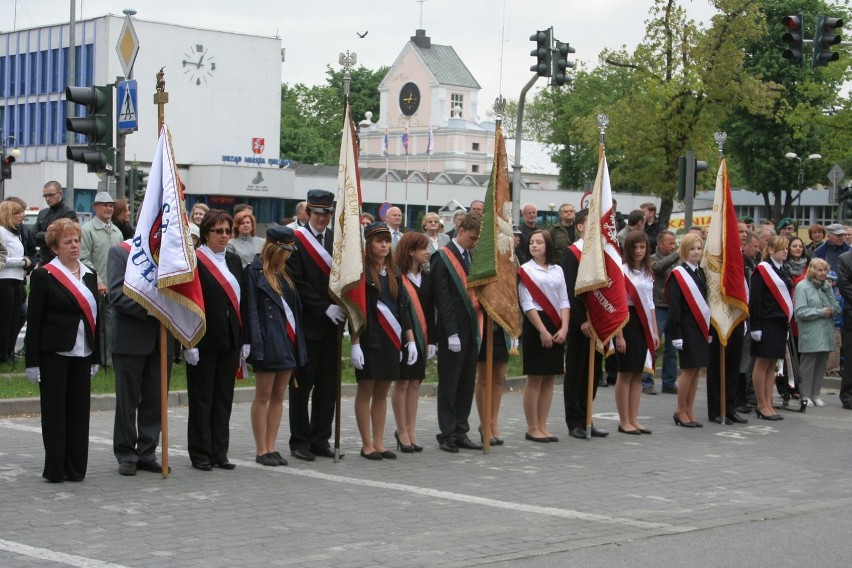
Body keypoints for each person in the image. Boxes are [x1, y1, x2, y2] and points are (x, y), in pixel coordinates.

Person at [24, 219, 99, 483]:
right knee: (55, 413)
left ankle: (76, 468)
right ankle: (55, 469)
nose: (74, 245)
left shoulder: (89, 274)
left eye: (76, 240)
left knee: (79, 412)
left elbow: (95, 320)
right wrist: (32, 362)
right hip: (53, 353)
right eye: (67, 242)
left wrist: (96, 355)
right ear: (55, 248)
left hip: (83, 352)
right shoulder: (44, 275)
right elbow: (34, 321)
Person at [183, 210, 247, 470]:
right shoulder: (195, 261)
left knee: (223, 397)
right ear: (206, 233)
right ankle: (200, 453)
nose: (224, 236)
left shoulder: (233, 260)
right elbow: (187, 303)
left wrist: (245, 340)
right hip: (203, 340)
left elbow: (243, 302)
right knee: (202, 398)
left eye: (227, 231)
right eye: (218, 231)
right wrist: (188, 342)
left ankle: (220, 452)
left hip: (230, 338)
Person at [108, 239, 174, 476]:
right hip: (129, 339)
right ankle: (126, 454)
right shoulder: (120, 253)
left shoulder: (168, 256)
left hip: (161, 338)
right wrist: (154, 308)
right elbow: (117, 295)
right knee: (127, 402)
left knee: (156, 400)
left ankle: (147, 452)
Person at [350, 223, 416, 460]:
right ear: (369, 244)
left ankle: (379, 442)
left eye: (387, 241)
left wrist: (410, 341)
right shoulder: (360, 272)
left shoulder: (395, 272)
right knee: (366, 390)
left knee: (382, 392)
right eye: (379, 241)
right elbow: (356, 309)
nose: (384, 245)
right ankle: (366, 443)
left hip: (391, 339)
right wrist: (355, 343)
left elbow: (403, 308)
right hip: (369, 339)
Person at [287, 189, 344, 461]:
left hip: (333, 328)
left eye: (327, 213)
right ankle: (299, 440)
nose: (322, 218)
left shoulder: (336, 240)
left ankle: (320, 438)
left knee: (327, 387)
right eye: (318, 213)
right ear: (308, 212)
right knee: (302, 387)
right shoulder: (295, 241)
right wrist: (323, 308)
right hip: (307, 326)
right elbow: (297, 283)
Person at [246, 226, 306, 466]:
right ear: (274, 248)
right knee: (263, 396)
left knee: (279, 397)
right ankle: (261, 449)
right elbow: (251, 310)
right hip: (268, 340)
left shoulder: (285, 274)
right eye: (284, 251)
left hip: (287, 341)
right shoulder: (253, 271)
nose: (288, 256)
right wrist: (255, 344)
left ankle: (271, 446)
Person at [432, 211, 484, 452]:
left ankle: (461, 430)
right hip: (452, 332)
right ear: (460, 231)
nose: (474, 243)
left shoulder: (470, 257)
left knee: (466, 384)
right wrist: (451, 332)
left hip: (471, 328)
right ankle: (447, 433)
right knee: (450, 384)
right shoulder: (442, 258)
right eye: (472, 238)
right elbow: (443, 299)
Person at [561, 209, 609, 440]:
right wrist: (581, 320)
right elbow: (570, 291)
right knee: (577, 371)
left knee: (593, 372)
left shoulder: (600, 254)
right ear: (580, 226)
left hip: (598, 321)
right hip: (581, 323)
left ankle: (587, 417)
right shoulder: (573, 254)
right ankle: (574, 421)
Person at [518, 229, 569, 442]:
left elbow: (565, 300)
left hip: (557, 323)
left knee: (549, 378)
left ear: (547, 245)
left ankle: (543, 425)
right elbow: (526, 302)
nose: (534, 246)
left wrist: (564, 328)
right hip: (536, 325)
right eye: (532, 242)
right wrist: (542, 330)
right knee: (535, 377)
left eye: (539, 242)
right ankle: (532, 427)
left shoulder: (558, 270)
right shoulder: (525, 270)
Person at [393, 232, 435, 452]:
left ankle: (411, 428)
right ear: (410, 251)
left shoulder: (427, 277)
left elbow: (431, 310)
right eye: (422, 248)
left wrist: (432, 341)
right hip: (402, 338)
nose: (427, 252)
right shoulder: (396, 276)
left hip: (423, 337)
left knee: (415, 384)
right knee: (402, 383)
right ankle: (401, 430)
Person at [615, 231, 657, 434]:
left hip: (643, 324)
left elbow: (650, 304)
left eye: (642, 247)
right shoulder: (622, 271)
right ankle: (624, 421)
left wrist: (654, 331)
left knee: (638, 373)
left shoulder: (647, 272)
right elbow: (618, 304)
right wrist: (619, 335)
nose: (639, 251)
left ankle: (634, 418)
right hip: (627, 321)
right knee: (625, 373)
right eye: (635, 247)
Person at [668, 233, 711, 428]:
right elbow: (675, 306)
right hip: (685, 328)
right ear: (685, 250)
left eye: (699, 248)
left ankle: (689, 409)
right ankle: (680, 410)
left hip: (700, 327)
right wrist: (676, 334)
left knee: (696, 371)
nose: (696, 252)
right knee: (688, 370)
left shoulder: (700, 272)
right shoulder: (679, 274)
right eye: (692, 248)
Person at [749, 235, 792, 421]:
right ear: (771, 250)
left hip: (779, 324)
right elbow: (756, 299)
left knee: (772, 364)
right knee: (762, 363)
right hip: (765, 322)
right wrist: (755, 325)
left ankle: (768, 402)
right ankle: (761, 404)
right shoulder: (763, 270)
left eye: (787, 248)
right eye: (782, 248)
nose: (785, 251)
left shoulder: (784, 270)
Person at [80, 191, 123, 367]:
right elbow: (84, 259)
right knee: (99, 326)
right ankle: (101, 360)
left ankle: (109, 359)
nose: (108, 208)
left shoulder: (116, 231)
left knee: (112, 325)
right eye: (104, 205)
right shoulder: (87, 230)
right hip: (96, 287)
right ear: (95, 207)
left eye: (111, 205)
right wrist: (98, 281)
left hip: (115, 286)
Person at [794, 258, 840, 408]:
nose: (823, 273)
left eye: (825, 270)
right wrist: (821, 312)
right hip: (811, 331)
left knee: (821, 363)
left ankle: (816, 394)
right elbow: (800, 311)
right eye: (820, 270)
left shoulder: (826, 286)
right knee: (808, 363)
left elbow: (835, 306)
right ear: (812, 270)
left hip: (825, 330)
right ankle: (805, 394)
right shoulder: (803, 286)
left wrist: (830, 301)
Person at [643, 230, 679, 395]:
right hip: (658, 307)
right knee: (653, 345)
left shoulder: (676, 261)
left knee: (672, 348)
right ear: (660, 244)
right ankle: (647, 381)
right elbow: (657, 268)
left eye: (674, 243)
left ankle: (669, 382)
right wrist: (676, 255)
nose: (673, 246)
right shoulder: (652, 259)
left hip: (673, 307)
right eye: (670, 243)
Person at [0, 201, 34, 364]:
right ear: (7, 215)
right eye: (17, 213)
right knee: (5, 321)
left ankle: (8, 354)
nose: (22, 216)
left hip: (17, 280)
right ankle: (3, 357)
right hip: (4, 281)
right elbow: (2, 259)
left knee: (15, 320)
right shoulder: (1, 233)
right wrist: (22, 261)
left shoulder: (15, 233)